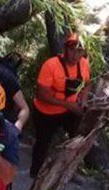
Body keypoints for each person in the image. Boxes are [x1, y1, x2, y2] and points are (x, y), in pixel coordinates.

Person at [30, 32, 92, 177]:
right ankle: (35, 172)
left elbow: (88, 84)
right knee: (42, 143)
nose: (75, 55)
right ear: (65, 49)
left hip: (69, 110)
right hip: (46, 112)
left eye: (79, 50)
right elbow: (41, 95)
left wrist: (84, 100)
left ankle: (68, 171)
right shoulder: (51, 65)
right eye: (72, 49)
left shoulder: (83, 64)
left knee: (77, 138)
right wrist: (69, 105)